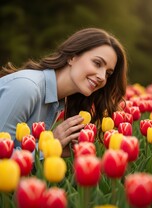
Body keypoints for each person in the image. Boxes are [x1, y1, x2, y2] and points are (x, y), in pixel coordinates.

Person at [0, 27, 127, 157]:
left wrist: (59, 149)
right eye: (97, 63)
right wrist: (49, 145)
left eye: (108, 73)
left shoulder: (57, 100)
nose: (102, 76)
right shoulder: (27, 88)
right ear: (72, 57)